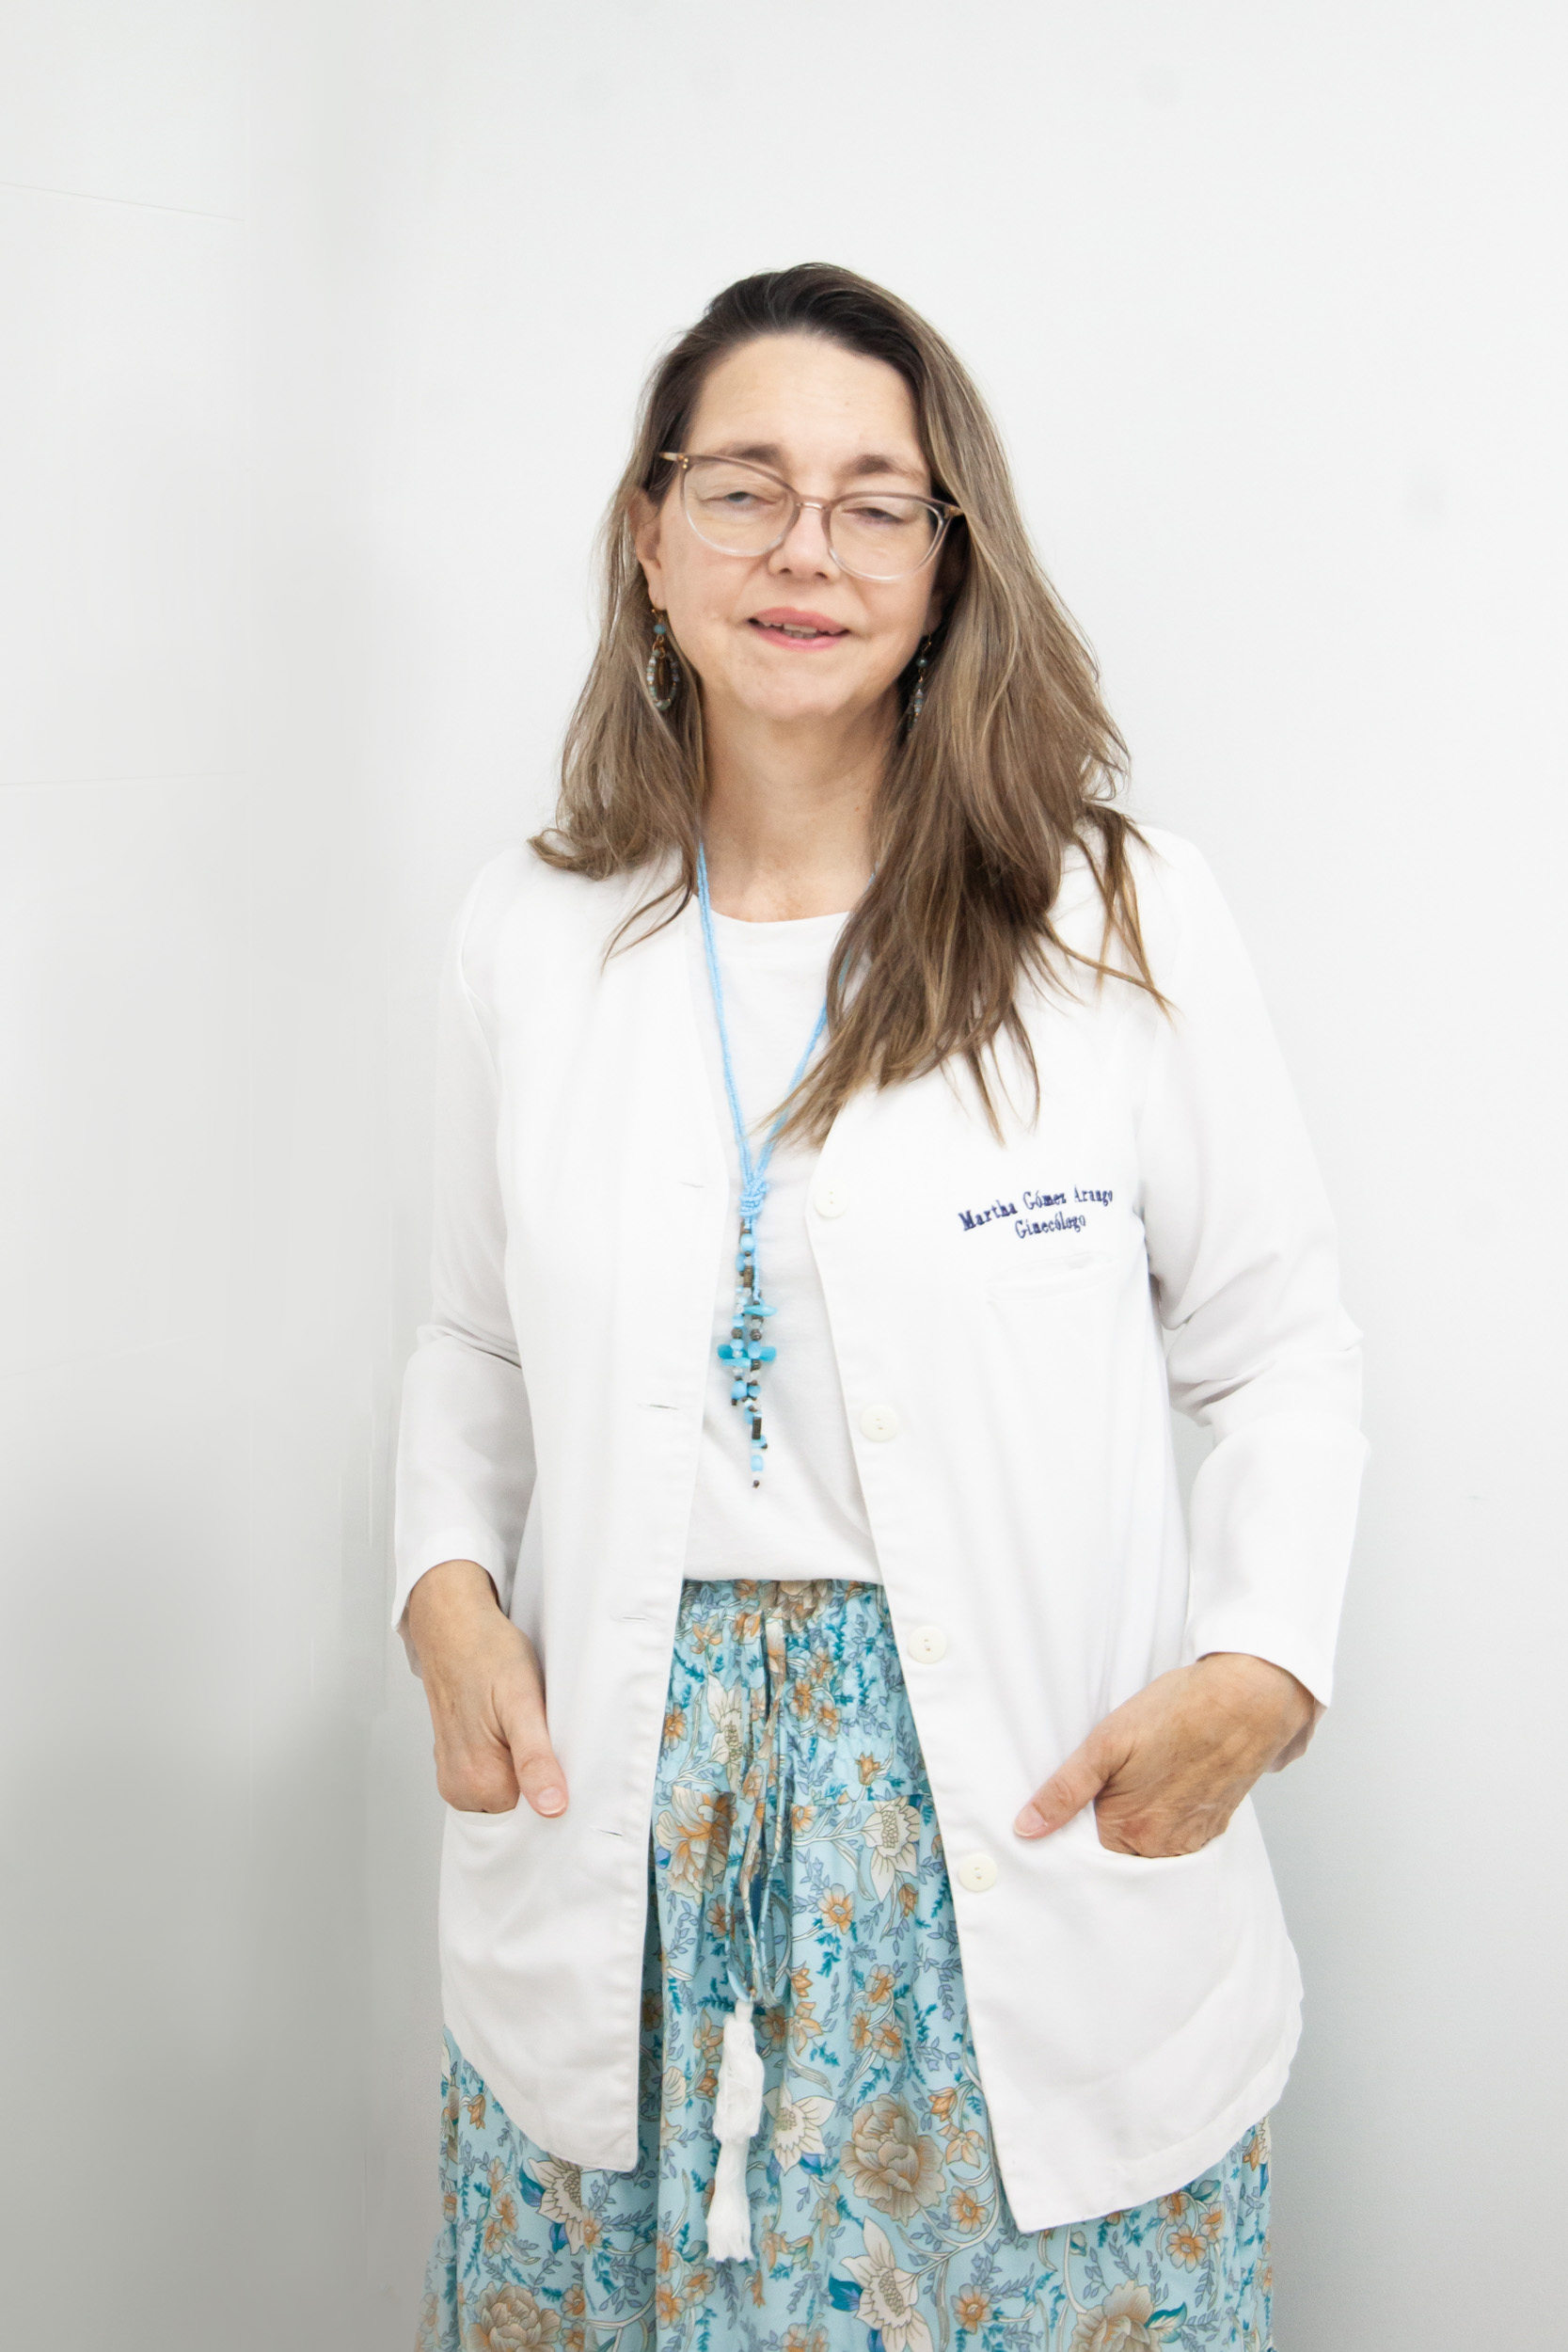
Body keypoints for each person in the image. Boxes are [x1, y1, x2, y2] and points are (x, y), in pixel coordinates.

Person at [395, 262, 1365, 2352]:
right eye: (742, 488)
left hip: (1013, 1821)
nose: (804, 551)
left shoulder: (1109, 917)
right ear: (651, 537)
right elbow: (471, 1340)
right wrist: (446, 1589)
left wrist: (1260, 1666)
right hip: (632, 1851)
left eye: (872, 501)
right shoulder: (531, 934)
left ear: (947, 559)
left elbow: (1275, 1344)